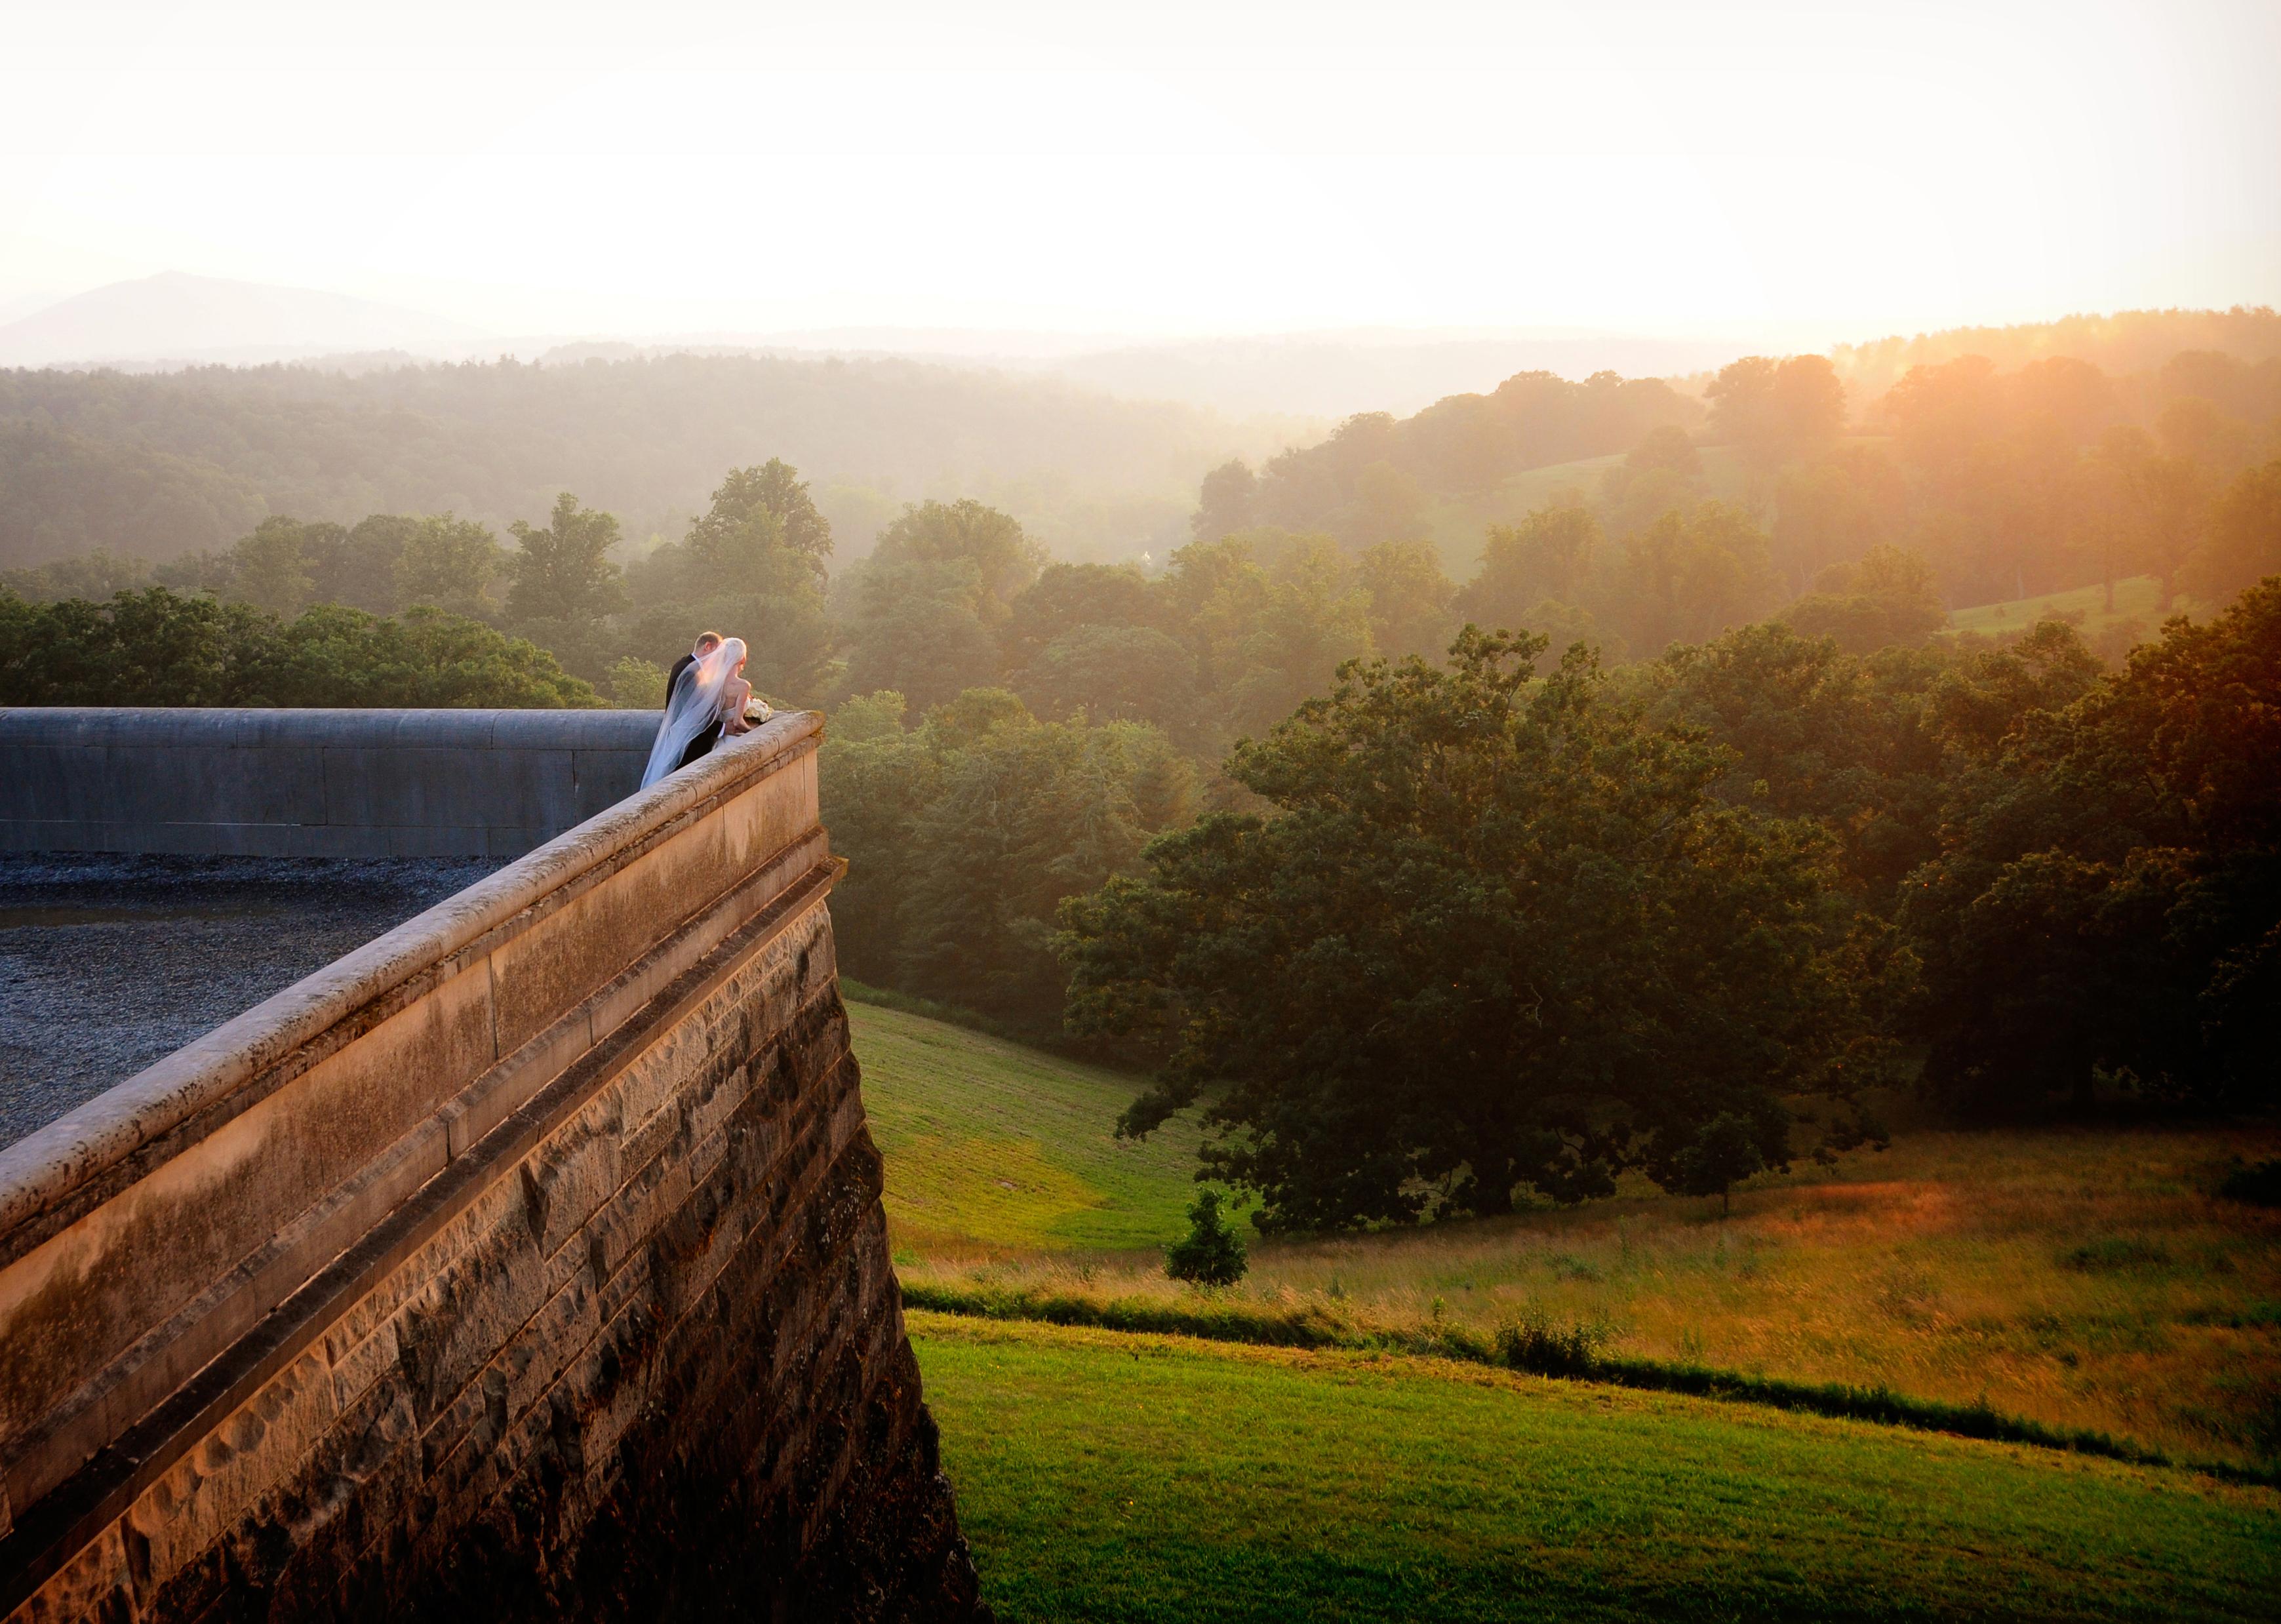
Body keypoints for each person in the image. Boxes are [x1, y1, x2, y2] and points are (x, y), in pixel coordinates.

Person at [640, 637, 755, 788]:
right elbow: (691, 716)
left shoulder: (700, 675)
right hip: (693, 745)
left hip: (708, 741)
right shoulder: (692, 673)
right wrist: (723, 728)